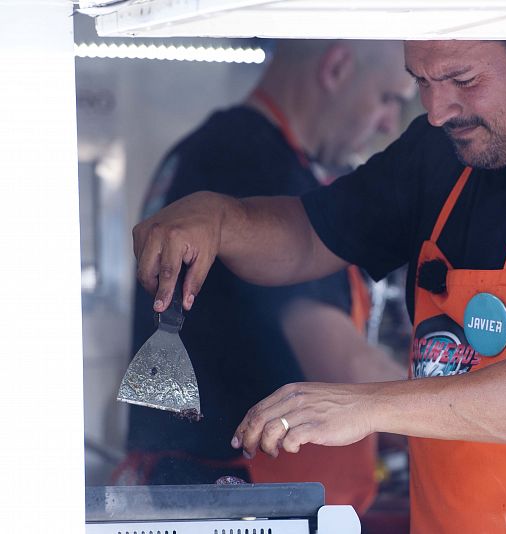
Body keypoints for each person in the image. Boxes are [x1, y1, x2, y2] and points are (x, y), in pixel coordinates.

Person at [132, 40, 506, 533]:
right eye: (420, 80)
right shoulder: (442, 151)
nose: (437, 109)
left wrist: (366, 404)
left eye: (462, 80)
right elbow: (314, 236)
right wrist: (222, 220)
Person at [117, 39, 415, 514]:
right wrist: (461, 420)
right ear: (336, 68)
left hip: (200, 487)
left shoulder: (216, 149)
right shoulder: (257, 167)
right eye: (388, 98)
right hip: (250, 499)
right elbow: (342, 364)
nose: (388, 124)